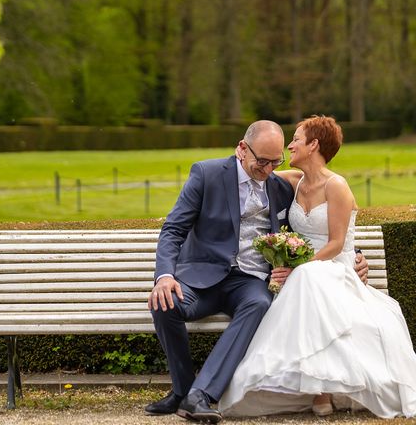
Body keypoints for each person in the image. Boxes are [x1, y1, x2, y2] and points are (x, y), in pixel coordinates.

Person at [145, 120, 368, 423]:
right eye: (261, 161)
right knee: (165, 303)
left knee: (260, 304)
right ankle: (182, 391)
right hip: (202, 277)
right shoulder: (206, 174)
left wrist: (354, 254)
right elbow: (173, 229)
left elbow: (320, 226)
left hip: (249, 281)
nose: (267, 169)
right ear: (241, 148)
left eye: (275, 161)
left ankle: (201, 395)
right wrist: (165, 276)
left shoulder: (280, 186)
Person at [219, 116, 416, 418]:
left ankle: (321, 389)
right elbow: (256, 170)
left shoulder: (337, 186)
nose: (290, 145)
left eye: (296, 139)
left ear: (313, 145)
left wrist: (298, 269)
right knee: (305, 280)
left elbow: (337, 243)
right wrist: (242, 154)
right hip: (307, 272)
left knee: (308, 278)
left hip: (334, 267)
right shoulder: (294, 183)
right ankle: (310, 386)